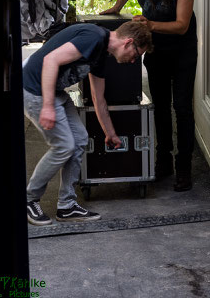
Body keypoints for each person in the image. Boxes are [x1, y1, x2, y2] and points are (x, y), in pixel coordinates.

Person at [23, 20, 153, 226]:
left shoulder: (101, 53)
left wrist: (109, 133)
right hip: (34, 89)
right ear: (128, 43)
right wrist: (47, 105)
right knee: (63, 146)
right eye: (136, 55)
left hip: (53, 91)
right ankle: (29, 199)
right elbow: (50, 60)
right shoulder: (93, 37)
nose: (132, 61)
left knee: (80, 139)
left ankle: (66, 206)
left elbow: (97, 98)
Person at [100, 0, 198, 192]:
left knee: (183, 107)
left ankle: (184, 169)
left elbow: (182, 25)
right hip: (156, 49)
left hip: (182, 50)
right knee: (161, 106)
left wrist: (150, 25)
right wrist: (118, 7)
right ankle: (163, 162)